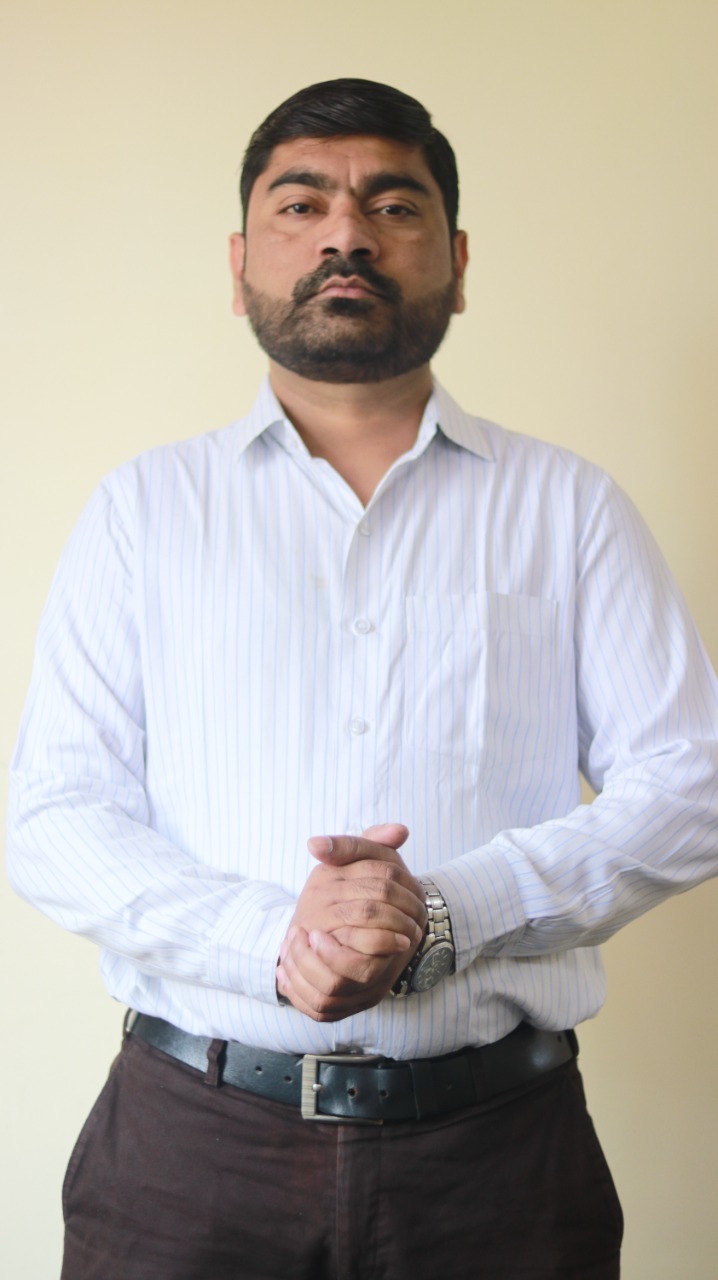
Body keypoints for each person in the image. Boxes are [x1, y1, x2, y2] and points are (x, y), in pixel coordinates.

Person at [7, 77, 718, 1280]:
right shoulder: (144, 510)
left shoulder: (569, 507)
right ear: (240, 263)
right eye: (302, 205)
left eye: (393, 205)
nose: (346, 235)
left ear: (457, 260)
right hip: (192, 1152)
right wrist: (274, 939)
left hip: (499, 1158)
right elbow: (54, 814)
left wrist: (447, 913)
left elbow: (690, 783)